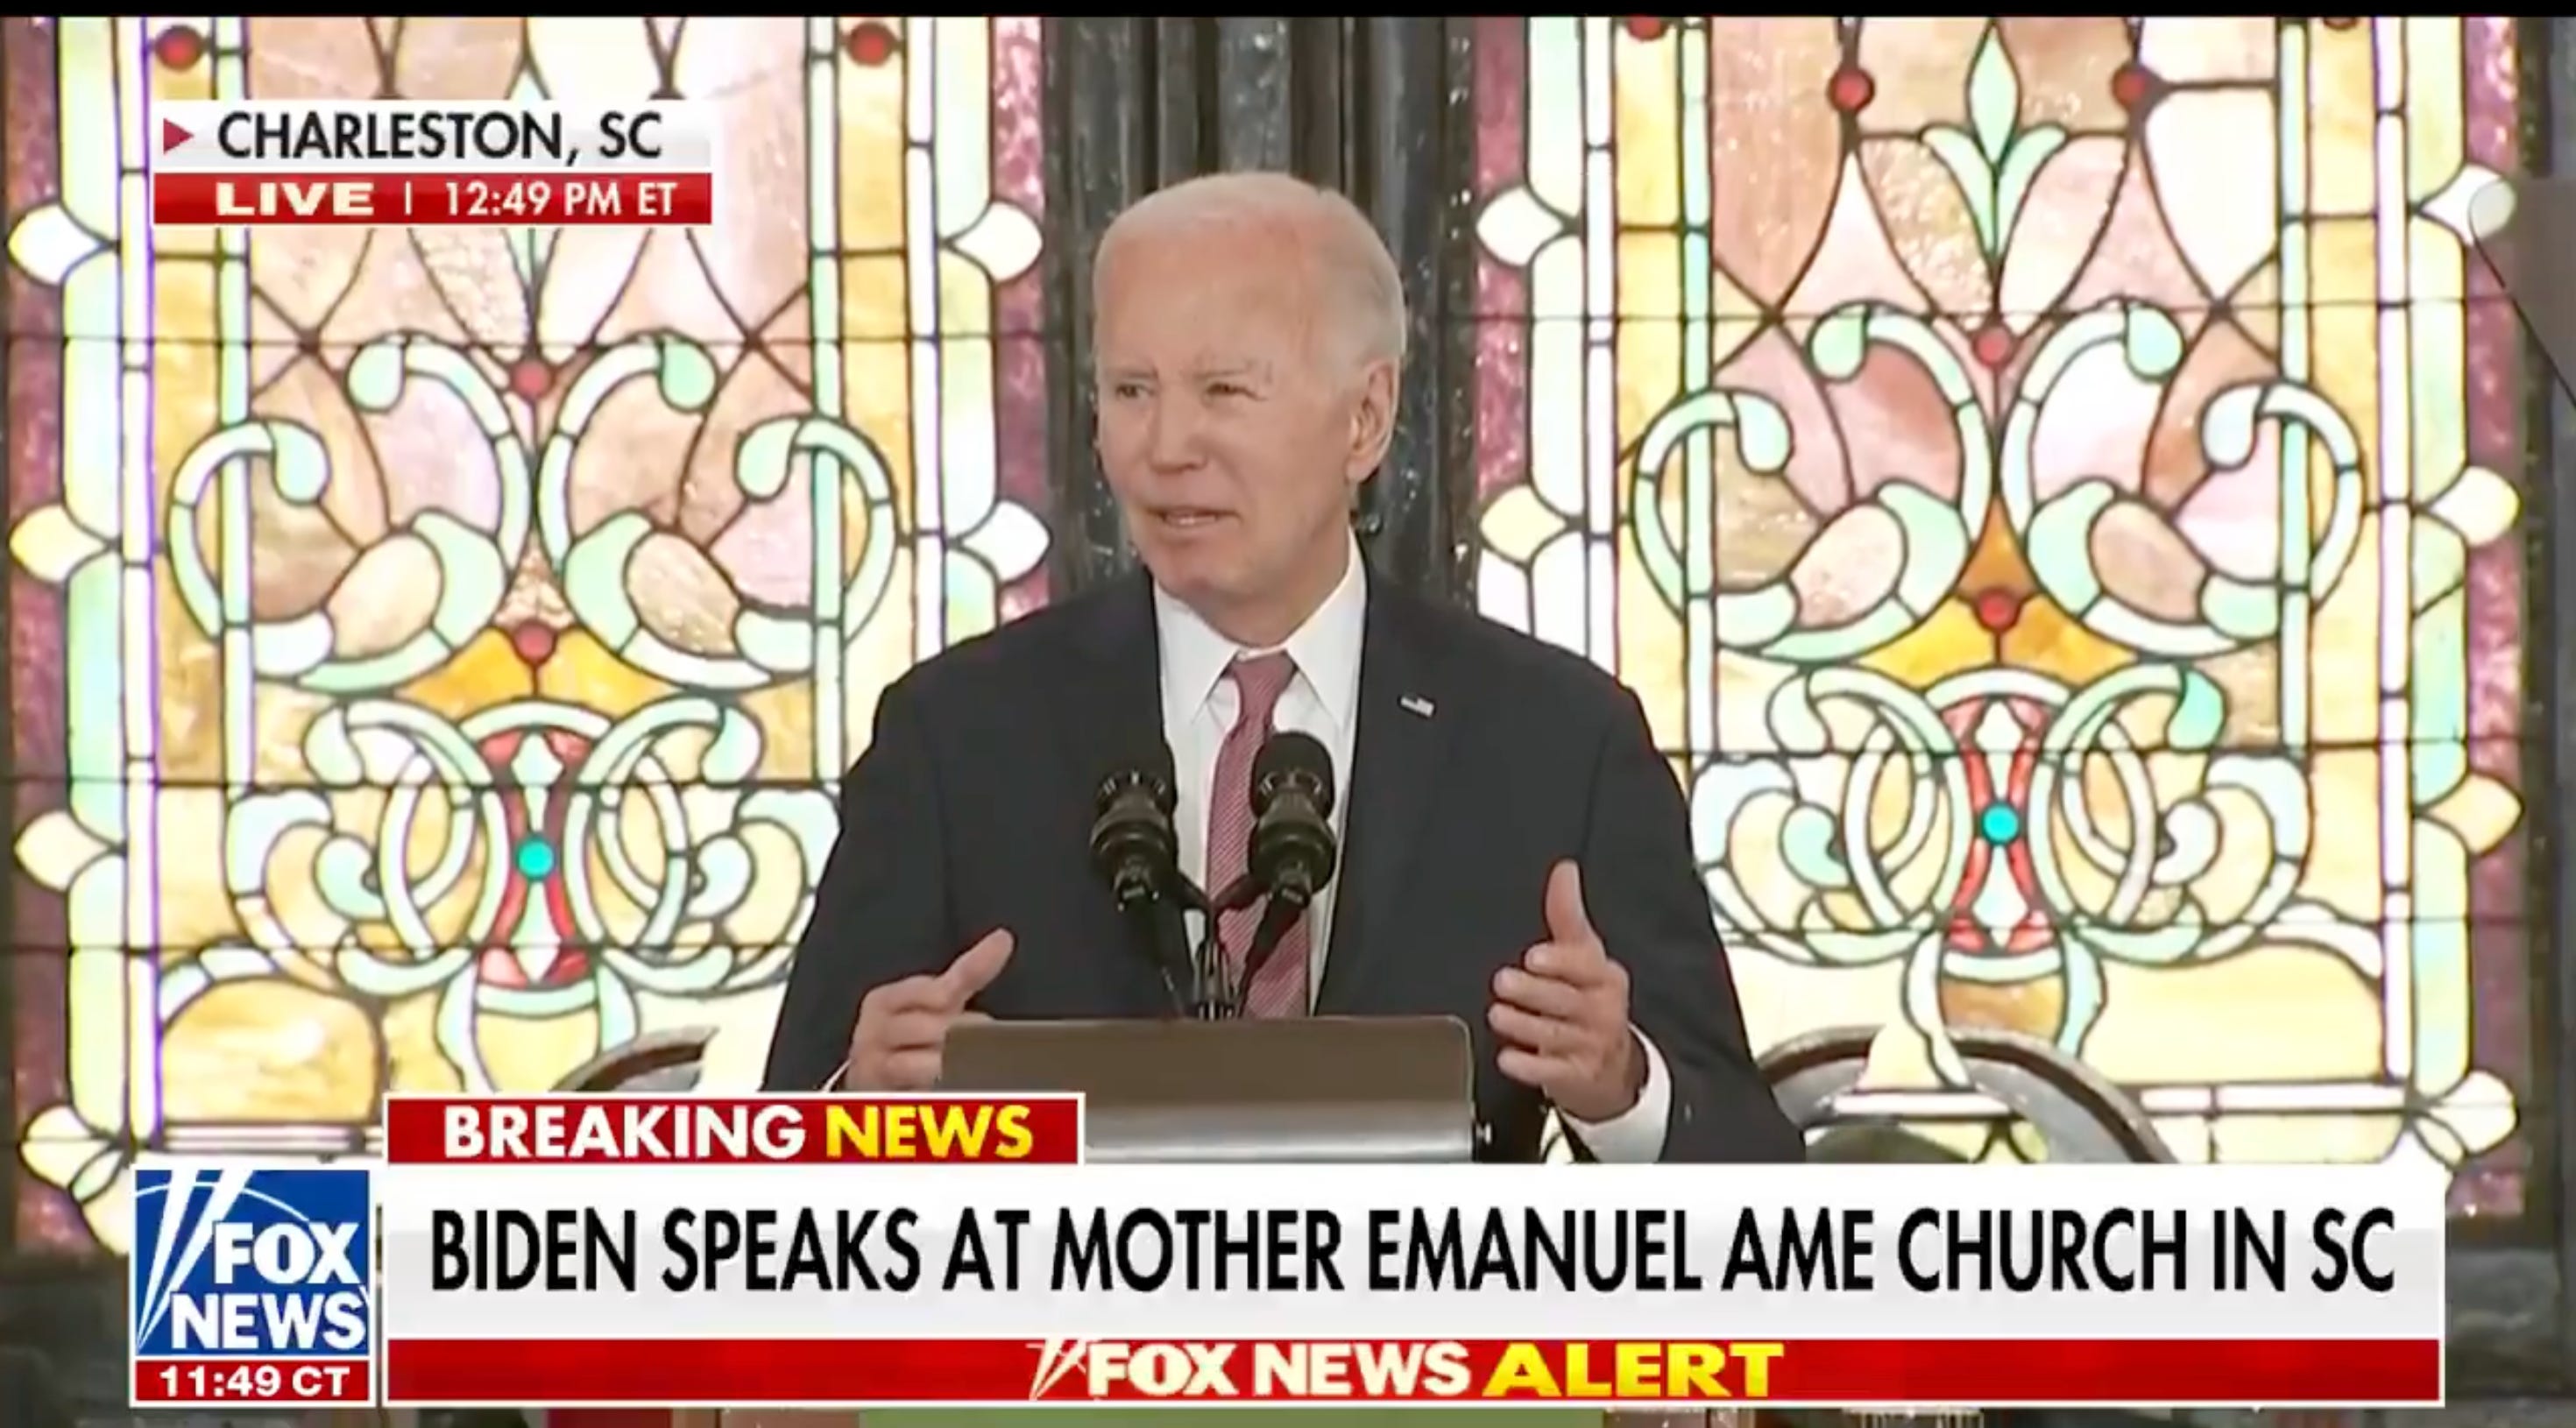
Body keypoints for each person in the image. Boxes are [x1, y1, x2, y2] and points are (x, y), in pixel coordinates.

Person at [762, 171, 1800, 1164]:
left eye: (1224, 390)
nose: (1167, 445)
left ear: (1365, 419)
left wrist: (1623, 1090)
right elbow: (765, 1174)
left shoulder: (1557, 744)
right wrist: (860, 1110)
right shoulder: (957, 737)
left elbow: (1755, 1174)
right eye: (1131, 389)